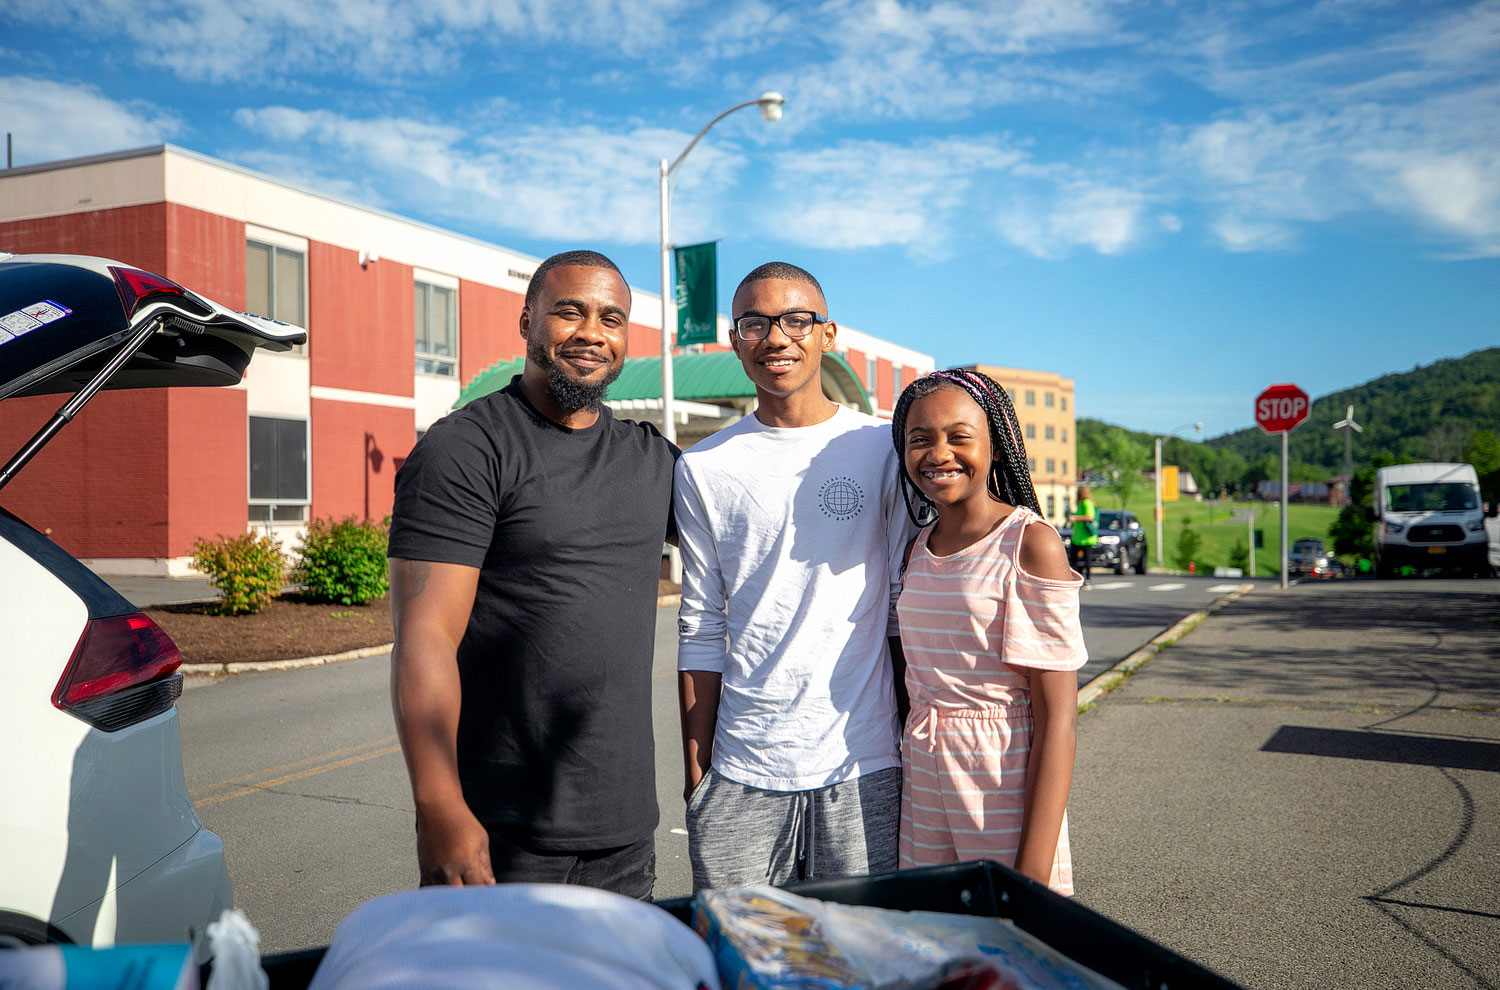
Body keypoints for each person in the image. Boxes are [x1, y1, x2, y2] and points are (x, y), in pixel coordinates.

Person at [387, 250, 677, 899]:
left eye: (611, 318)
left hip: (625, 833)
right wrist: (438, 807)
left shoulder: (650, 460)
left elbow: (764, 519)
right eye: (569, 311)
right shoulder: (466, 448)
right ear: (527, 320)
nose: (591, 333)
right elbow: (425, 635)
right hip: (502, 832)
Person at [675, 261, 908, 893]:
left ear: (828, 335)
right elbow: (700, 621)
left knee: (860, 965)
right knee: (743, 964)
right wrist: (699, 771)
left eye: (796, 320)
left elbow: (899, 608)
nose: (777, 337)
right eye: (756, 323)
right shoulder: (703, 467)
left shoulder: (883, 446)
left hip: (864, 763)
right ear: (735, 340)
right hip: (741, 768)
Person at [891, 368, 1086, 894]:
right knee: (940, 948)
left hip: (1001, 780)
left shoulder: (1030, 544)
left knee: (1011, 959)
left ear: (997, 447)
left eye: (959, 436)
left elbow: (1058, 717)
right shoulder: (918, 547)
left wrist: (1031, 880)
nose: (938, 453)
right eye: (920, 439)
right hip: (926, 781)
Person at [1069, 484, 1099, 588]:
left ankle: (1088, 579)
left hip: (1086, 538)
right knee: (1074, 559)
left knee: (1086, 560)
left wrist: (1075, 518)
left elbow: (1090, 517)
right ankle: (1078, 578)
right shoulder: (1081, 504)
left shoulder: (1087, 502)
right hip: (1077, 538)